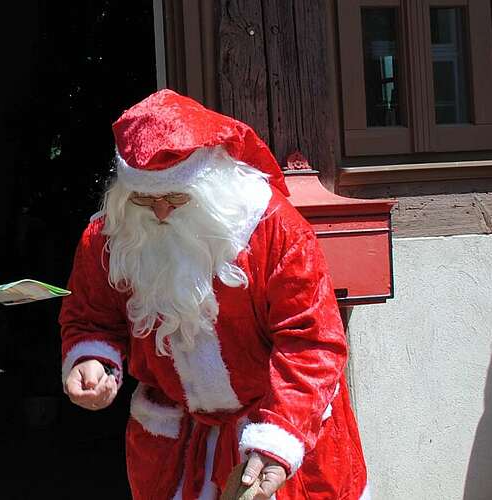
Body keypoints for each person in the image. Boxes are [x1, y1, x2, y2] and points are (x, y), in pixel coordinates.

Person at [58, 89, 369, 500]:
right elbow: (92, 316)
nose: (161, 211)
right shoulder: (108, 237)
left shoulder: (274, 230)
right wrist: (93, 359)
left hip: (277, 428)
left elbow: (312, 343)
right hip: (177, 448)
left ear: (211, 181)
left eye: (176, 197)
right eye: (145, 198)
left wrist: (276, 440)